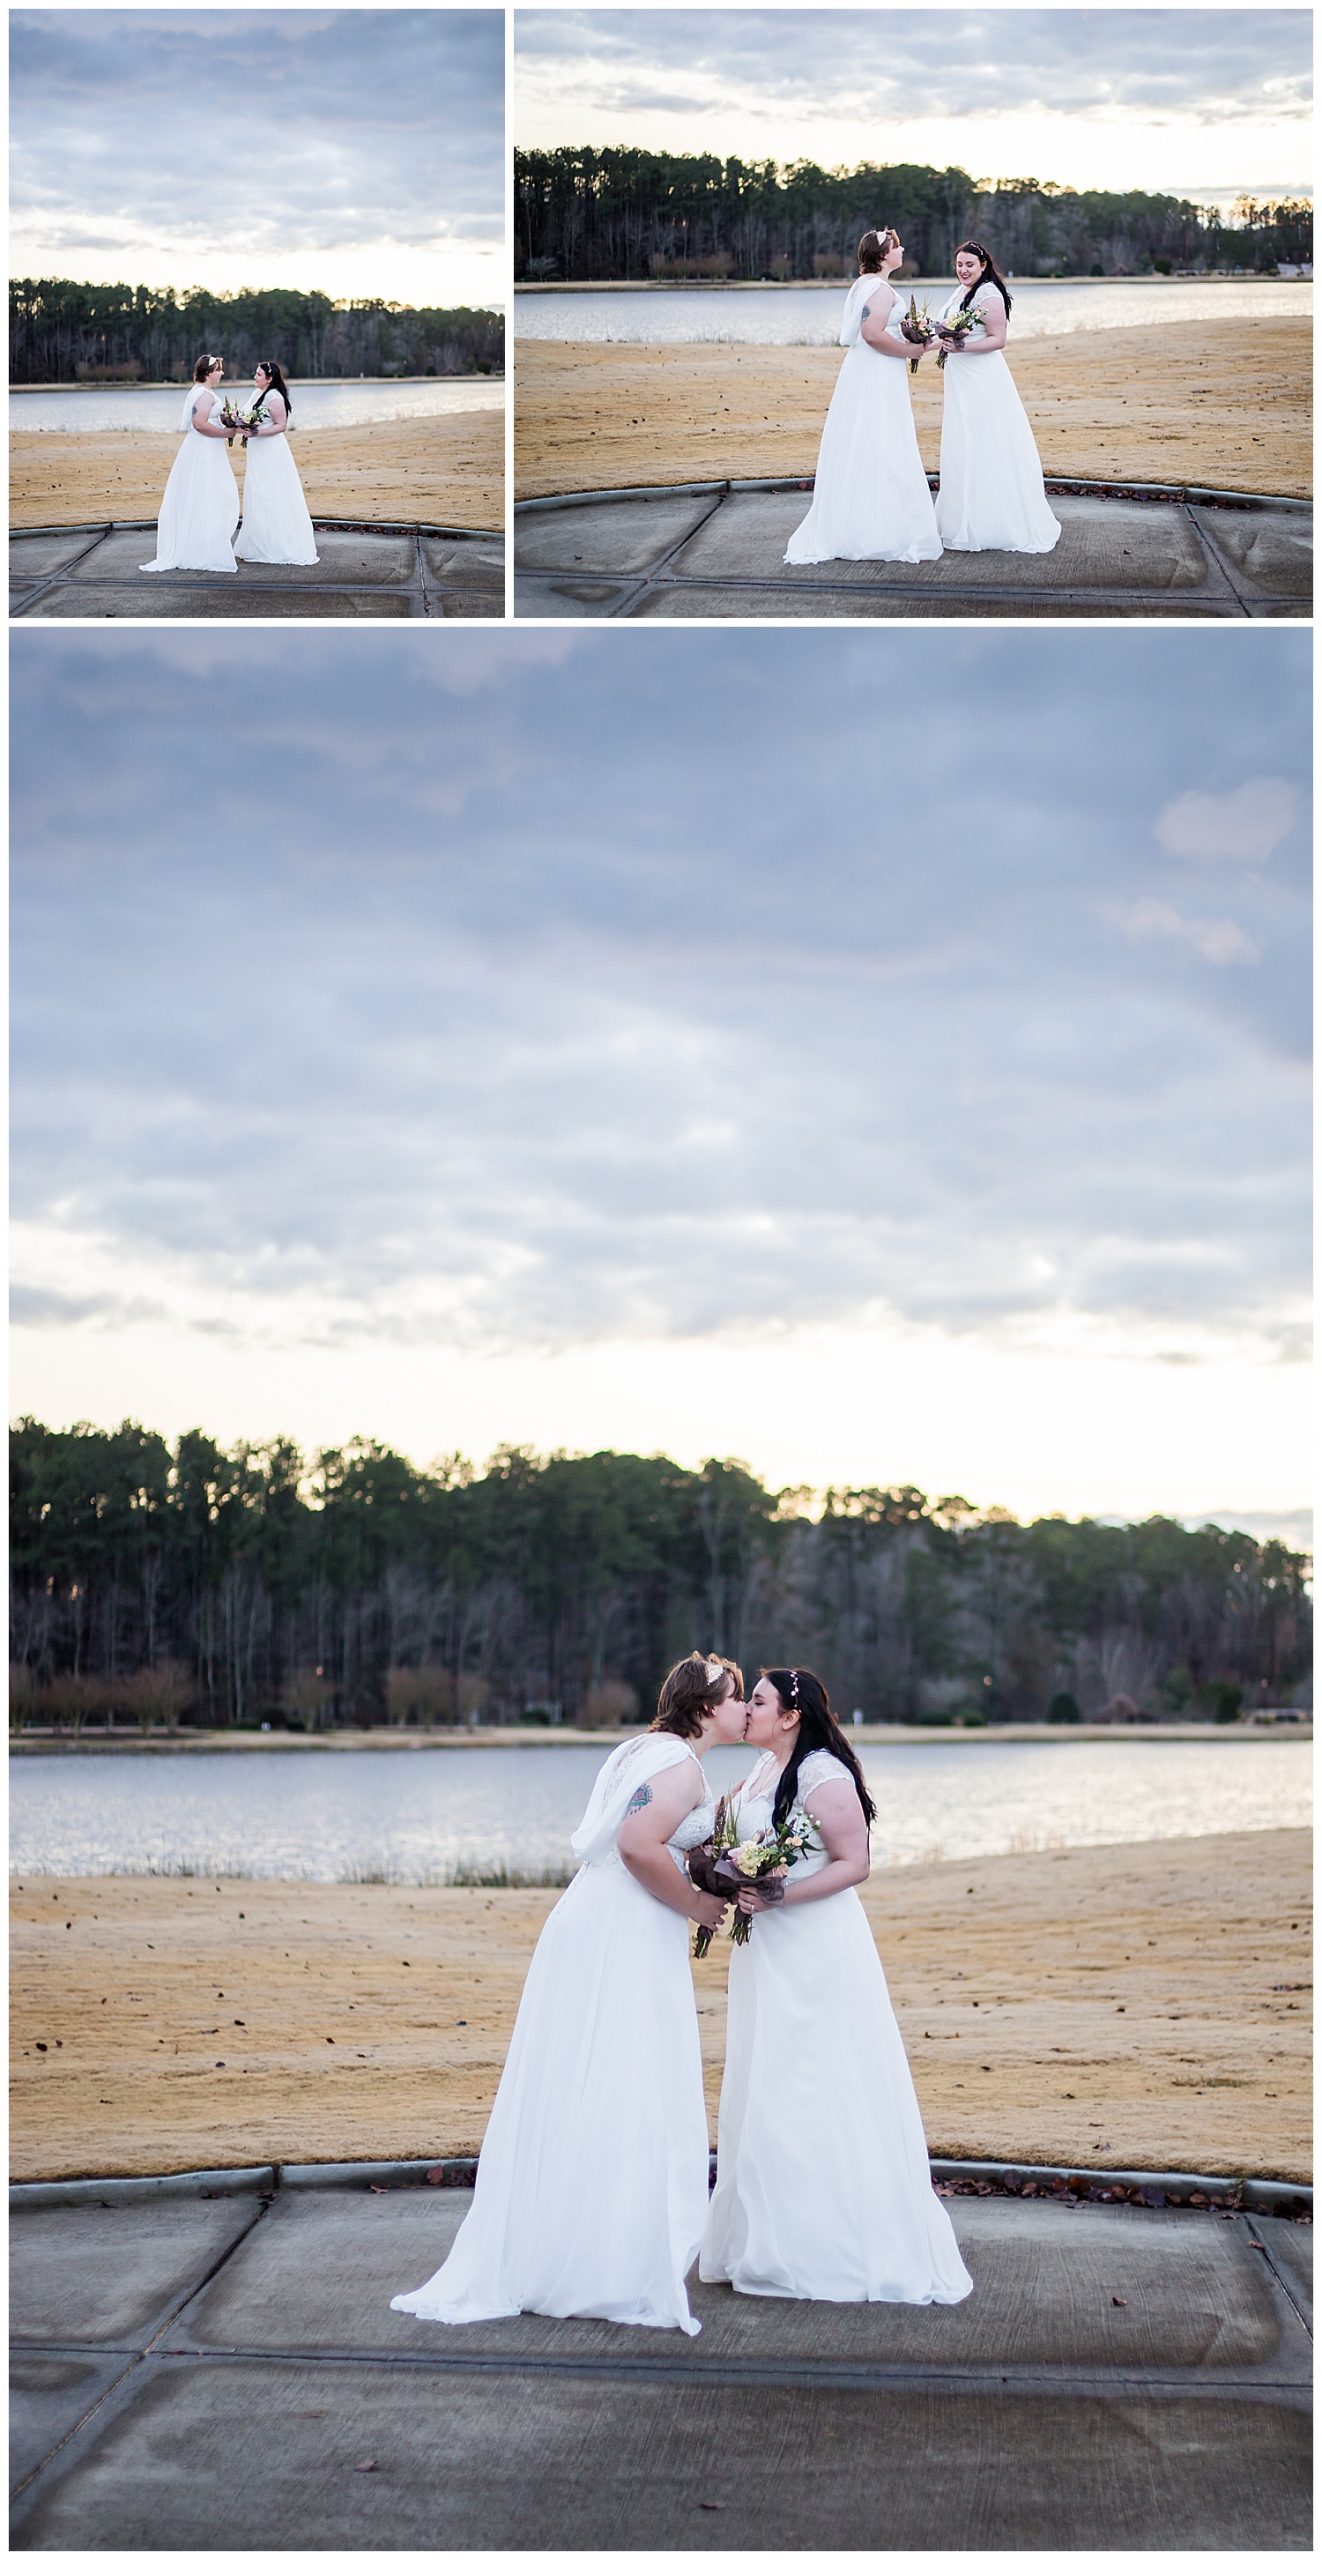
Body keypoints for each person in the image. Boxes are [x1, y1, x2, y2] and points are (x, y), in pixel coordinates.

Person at [390, 1652, 747, 2335]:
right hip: (623, 1929)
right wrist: (699, 1904)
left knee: (588, 2079)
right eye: (734, 1697)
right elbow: (640, 1846)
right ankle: (601, 2263)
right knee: (624, 2079)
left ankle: (577, 2244)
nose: (741, 1709)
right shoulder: (678, 1766)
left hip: (593, 1919)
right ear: (706, 1707)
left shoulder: (641, 1750)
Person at [696, 1667, 972, 2306]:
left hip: (815, 1947)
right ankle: (763, 2239)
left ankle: (827, 2247)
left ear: (790, 1715)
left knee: (815, 2079)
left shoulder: (823, 1773)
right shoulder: (761, 1773)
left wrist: (780, 1891)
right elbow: (729, 1839)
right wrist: (718, 1871)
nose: (748, 1711)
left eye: (757, 1702)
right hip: (765, 1950)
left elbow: (856, 1863)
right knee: (767, 2081)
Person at [784, 227, 941, 567]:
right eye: (896, 247)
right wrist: (909, 349)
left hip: (865, 370)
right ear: (884, 255)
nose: (902, 250)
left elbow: (878, 328)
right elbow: (871, 334)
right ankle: (876, 531)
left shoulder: (864, 285)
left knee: (867, 439)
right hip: (876, 372)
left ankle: (863, 518)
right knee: (881, 439)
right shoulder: (880, 290)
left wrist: (915, 329)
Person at [934, 242, 1061, 554]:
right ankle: (962, 517)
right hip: (960, 378)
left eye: (969, 265)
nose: (963, 270)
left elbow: (998, 339)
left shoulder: (988, 293)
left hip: (982, 379)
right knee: (964, 442)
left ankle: (993, 522)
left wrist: (960, 347)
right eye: (959, 264)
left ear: (983, 264)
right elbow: (948, 327)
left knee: (986, 442)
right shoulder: (961, 292)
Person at [139, 355, 239, 573]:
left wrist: (230, 421)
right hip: (203, 450)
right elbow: (199, 424)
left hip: (207, 449)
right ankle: (200, 550)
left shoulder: (203, 392)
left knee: (210, 494)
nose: (222, 373)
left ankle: (206, 544)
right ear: (208, 372)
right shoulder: (203, 394)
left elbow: (208, 420)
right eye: (219, 370)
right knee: (210, 493)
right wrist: (226, 432)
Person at [233, 361, 319, 566]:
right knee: (258, 493)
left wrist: (257, 432)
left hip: (271, 451)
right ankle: (258, 541)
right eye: (255, 373)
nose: (255, 377)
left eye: (258, 374)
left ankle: (278, 545)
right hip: (257, 452)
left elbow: (281, 425)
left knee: (272, 493)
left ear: (269, 379)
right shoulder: (256, 394)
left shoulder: (274, 397)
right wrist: (237, 420)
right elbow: (248, 416)